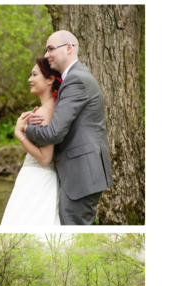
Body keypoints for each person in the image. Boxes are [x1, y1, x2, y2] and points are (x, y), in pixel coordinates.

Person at [22, 30, 113, 225]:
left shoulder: (75, 80)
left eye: (50, 49)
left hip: (81, 175)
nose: (46, 55)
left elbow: (54, 133)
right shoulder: (77, 76)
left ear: (69, 48)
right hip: (80, 173)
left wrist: (23, 130)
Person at [2, 58, 62, 225]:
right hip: (41, 178)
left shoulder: (45, 112)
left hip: (38, 179)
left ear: (50, 80)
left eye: (34, 75)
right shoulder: (51, 108)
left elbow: (45, 158)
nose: (29, 79)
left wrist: (19, 134)